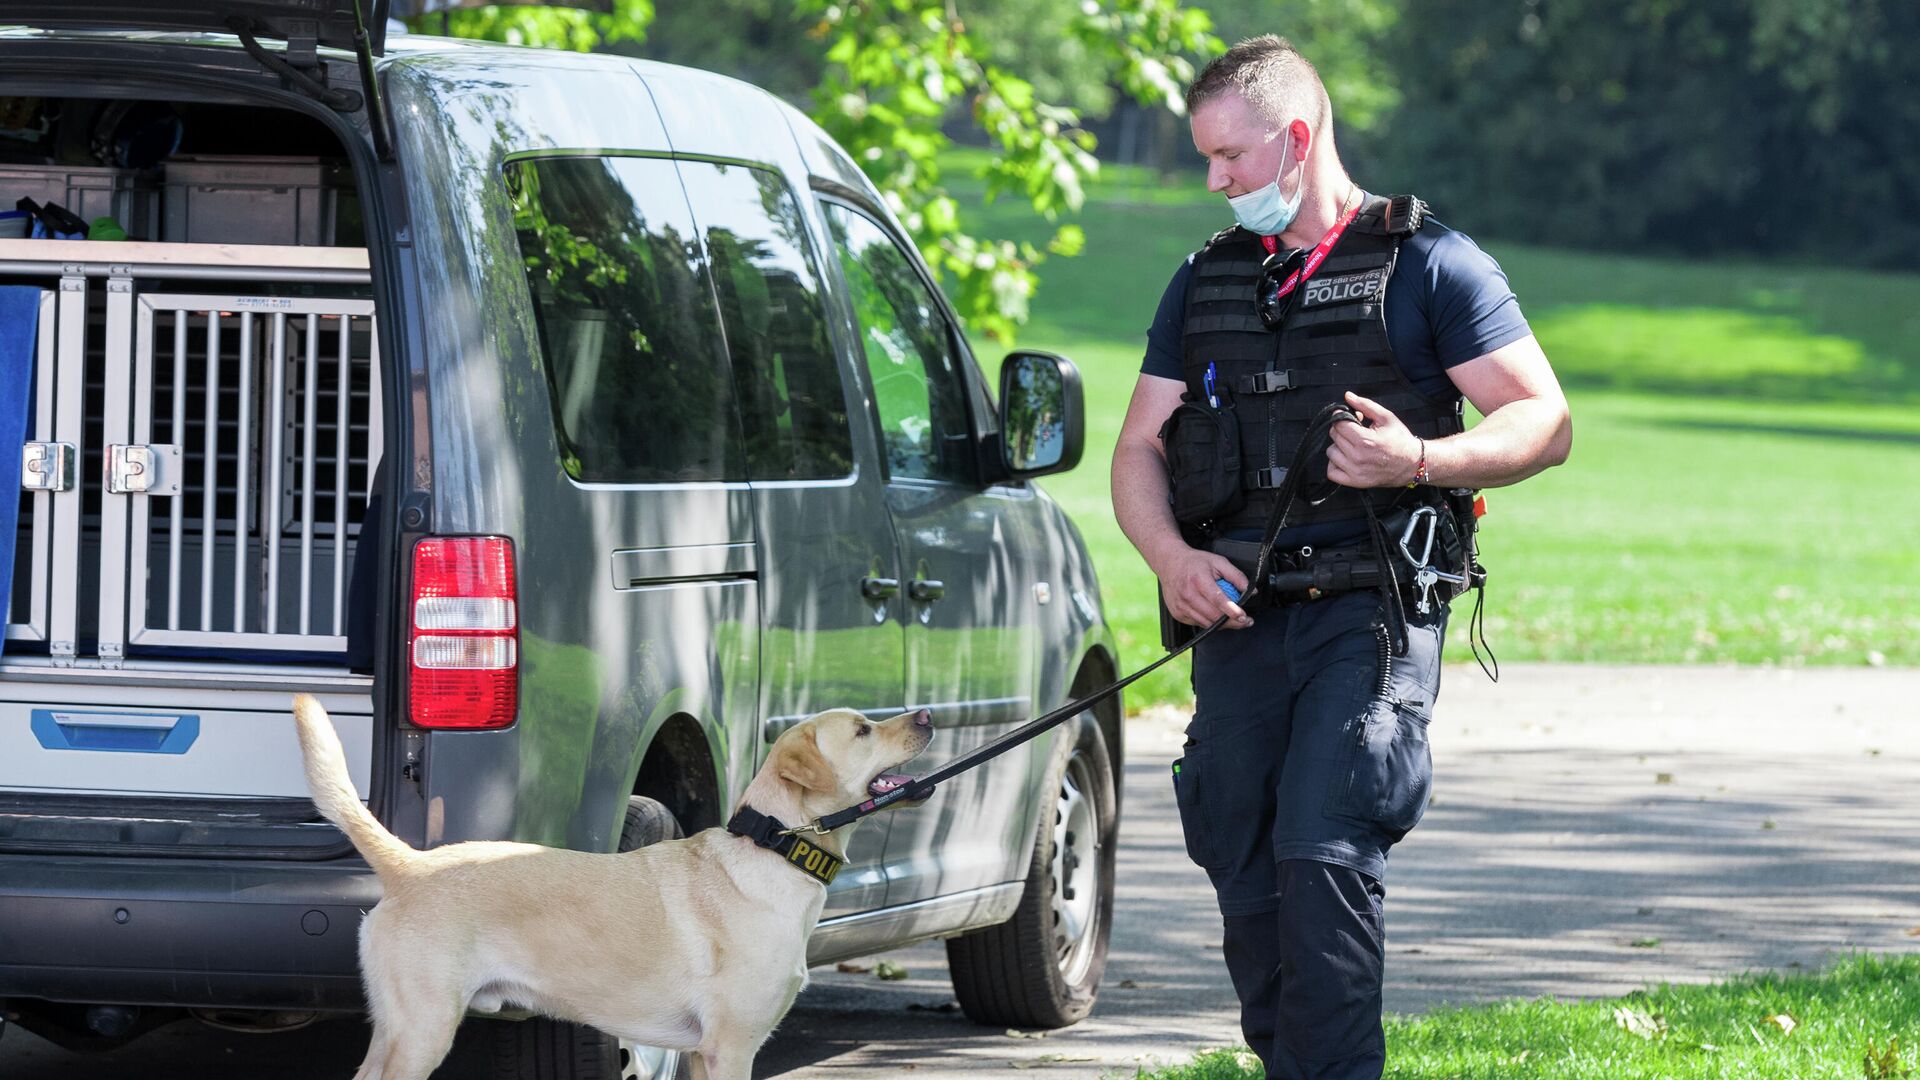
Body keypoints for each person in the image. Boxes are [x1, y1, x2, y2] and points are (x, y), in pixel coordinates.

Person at [1111, 35, 1572, 1079]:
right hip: (1236, 619)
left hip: (1367, 616)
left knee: (1323, 861)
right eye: (1206, 160)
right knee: (1249, 877)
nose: (1216, 180)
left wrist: (1417, 458)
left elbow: (1544, 420)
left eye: (1230, 157)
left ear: (1299, 137)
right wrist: (1173, 558)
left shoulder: (1432, 265)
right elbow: (1138, 446)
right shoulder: (1206, 282)